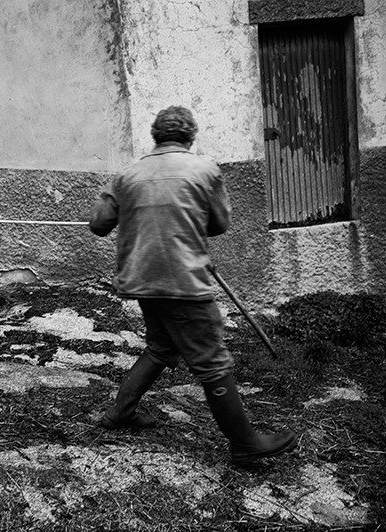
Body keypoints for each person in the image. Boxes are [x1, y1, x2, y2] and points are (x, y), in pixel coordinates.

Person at [88, 106, 296, 465]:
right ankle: (245, 444)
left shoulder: (126, 174)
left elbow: (98, 224)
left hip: (142, 280)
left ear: (156, 136)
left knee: (161, 346)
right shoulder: (204, 170)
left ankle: (120, 413)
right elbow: (218, 225)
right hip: (182, 281)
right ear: (190, 137)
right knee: (211, 362)